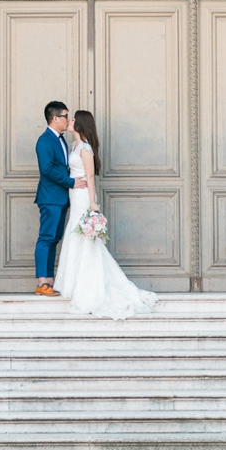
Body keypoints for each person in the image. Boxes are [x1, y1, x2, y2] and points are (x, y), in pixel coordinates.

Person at [55, 110, 158, 319]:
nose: (70, 121)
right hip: (74, 196)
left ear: (81, 124)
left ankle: (88, 285)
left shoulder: (85, 148)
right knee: (76, 236)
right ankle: (75, 282)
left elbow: (90, 177)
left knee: (84, 238)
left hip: (83, 196)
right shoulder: (74, 146)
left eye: (74, 119)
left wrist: (93, 203)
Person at [34, 101, 87, 297]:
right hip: (50, 198)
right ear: (55, 118)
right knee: (46, 238)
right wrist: (71, 182)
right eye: (65, 115)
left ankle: (48, 281)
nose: (68, 119)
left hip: (61, 198)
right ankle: (43, 281)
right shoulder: (45, 140)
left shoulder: (60, 139)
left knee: (54, 239)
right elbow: (47, 170)